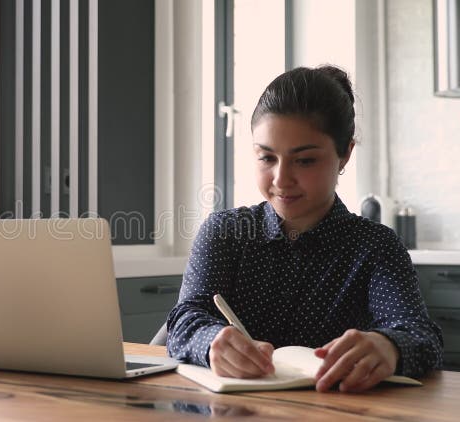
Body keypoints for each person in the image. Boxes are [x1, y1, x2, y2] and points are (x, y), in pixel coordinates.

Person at [166, 65, 443, 393]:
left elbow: (421, 336)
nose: (282, 180)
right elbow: (184, 321)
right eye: (267, 158)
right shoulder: (225, 232)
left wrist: (389, 347)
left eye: (305, 160)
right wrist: (211, 341)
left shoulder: (375, 245)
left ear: (344, 155)